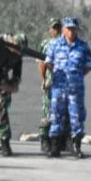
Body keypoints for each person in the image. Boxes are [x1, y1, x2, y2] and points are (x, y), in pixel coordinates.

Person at [43, 17, 91, 158]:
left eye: (73, 29)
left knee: (77, 117)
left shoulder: (83, 46)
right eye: (68, 28)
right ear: (63, 30)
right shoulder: (54, 45)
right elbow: (48, 63)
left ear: (77, 29)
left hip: (75, 89)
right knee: (56, 116)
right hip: (58, 87)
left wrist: (76, 75)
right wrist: (58, 75)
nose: (71, 31)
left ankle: (76, 146)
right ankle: (55, 147)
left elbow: (88, 66)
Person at [0, 32, 25, 157]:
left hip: (2, 80)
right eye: (16, 48)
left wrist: (13, 85)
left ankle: (3, 142)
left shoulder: (18, 54)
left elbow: (17, 73)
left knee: (1, 109)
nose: (17, 52)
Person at [36, 18, 61, 152]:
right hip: (50, 82)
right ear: (49, 29)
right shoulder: (46, 44)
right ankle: (44, 139)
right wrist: (43, 79)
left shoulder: (65, 43)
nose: (56, 30)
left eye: (58, 27)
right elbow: (41, 63)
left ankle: (58, 141)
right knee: (47, 111)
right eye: (53, 28)